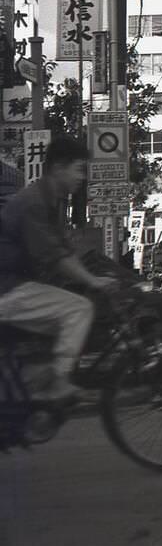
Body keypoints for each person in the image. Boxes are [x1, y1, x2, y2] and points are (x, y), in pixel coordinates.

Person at [0, 136, 117, 403]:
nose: (82, 177)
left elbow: (66, 251)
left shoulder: (49, 200)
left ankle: (39, 381)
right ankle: (59, 382)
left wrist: (95, 274)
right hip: (7, 289)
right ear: (58, 167)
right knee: (79, 309)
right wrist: (93, 281)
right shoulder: (33, 203)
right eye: (78, 169)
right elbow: (56, 257)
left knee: (68, 318)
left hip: (16, 285)